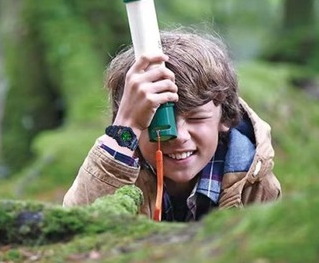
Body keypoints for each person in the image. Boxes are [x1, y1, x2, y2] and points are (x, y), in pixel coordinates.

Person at [63, 29, 281, 221]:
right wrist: (124, 128)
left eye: (196, 118)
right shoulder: (120, 169)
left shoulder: (253, 182)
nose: (178, 136)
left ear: (225, 118)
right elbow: (77, 231)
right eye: (155, 120)